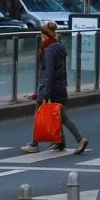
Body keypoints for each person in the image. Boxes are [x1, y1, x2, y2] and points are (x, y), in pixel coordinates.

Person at [21, 21, 89, 155]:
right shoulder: (59, 47)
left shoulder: (48, 51)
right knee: (59, 116)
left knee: (40, 116)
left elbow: (48, 74)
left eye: (41, 36)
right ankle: (60, 142)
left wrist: (42, 94)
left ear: (44, 36)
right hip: (60, 87)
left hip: (50, 89)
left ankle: (34, 144)